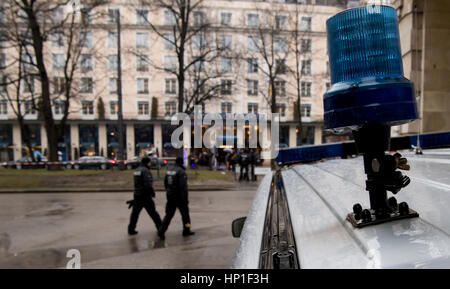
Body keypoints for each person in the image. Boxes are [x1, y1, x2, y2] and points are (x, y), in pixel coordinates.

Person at [158, 157, 195, 240]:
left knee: (168, 215)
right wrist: (185, 199)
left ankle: (161, 231)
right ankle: (187, 229)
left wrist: (168, 192)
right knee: (185, 216)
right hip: (180, 198)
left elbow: (165, 183)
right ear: (181, 163)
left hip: (170, 196)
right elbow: (183, 188)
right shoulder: (181, 172)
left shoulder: (169, 170)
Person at [127, 156, 162, 235]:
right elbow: (148, 184)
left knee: (135, 214)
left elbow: (137, 183)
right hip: (145, 195)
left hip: (137, 194)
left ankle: (131, 229)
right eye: (149, 162)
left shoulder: (136, 170)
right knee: (153, 213)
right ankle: (160, 227)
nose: (150, 164)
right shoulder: (145, 171)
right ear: (147, 162)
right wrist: (152, 192)